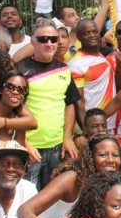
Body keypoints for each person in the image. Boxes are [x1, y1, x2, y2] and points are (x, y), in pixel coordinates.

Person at [18, 134, 121, 218]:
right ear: (90, 157)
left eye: (115, 155)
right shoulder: (72, 179)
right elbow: (26, 208)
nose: (110, 160)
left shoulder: (109, 185)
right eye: (103, 155)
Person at [16, 19, 82, 189]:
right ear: (32, 41)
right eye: (43, 39)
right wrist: (24, 144)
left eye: (53, 39)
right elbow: (11, 109)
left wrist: (67, 137)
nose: (49, 43)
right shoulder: (19, 70)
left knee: (52, 202)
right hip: (29, 149)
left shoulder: (64, 69)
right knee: (27, 200)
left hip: (56, 148)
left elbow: (69, 104)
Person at [68, 18, 115, 130]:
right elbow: (77, 102)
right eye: (86, 33)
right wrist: (86, 131)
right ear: (79, 37)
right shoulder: (76, 64)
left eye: (94, 32)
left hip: (107, 125)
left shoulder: (101, 57)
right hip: (92, 128)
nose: (92, 35)